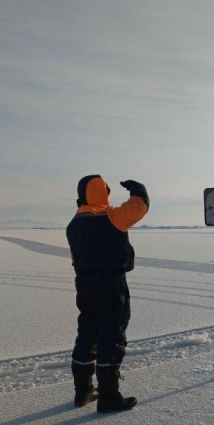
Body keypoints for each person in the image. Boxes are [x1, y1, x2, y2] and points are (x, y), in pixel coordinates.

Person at [66, 175, 149, 412]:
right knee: (111, 337)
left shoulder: (74, 225)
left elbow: (75, 258)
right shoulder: (112, 218)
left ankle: (83, 391)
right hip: (111, 284)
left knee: (87, 334)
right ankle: (109, 397)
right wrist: (137, 188)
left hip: (84, 284)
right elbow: (140, 206)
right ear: (104, 193)